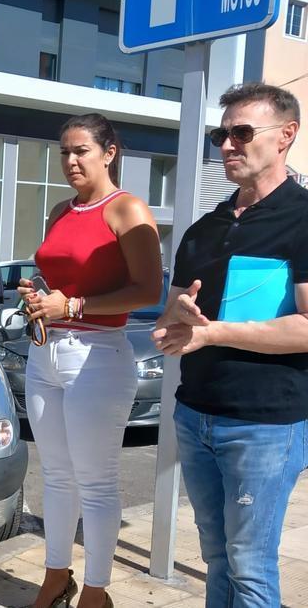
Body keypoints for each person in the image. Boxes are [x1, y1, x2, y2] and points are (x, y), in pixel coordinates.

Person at [152, 82, 308, 607]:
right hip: (195, 416)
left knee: (250, 566)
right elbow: (171, 315)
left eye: (242, 132)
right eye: (223, 133)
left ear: (286, 135)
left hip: (266, 423)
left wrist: (212, 331)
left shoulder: (304, 219)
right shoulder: (203, 228)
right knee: (217, 557)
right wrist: (176, 322)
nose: (227, 145)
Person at [20, 113, 164, 608]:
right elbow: (61, 280)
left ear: (110, 152)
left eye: (81, 150)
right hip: (45, 353)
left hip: (98, 356)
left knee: (96, 482)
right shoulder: (62, 210)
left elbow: (147, 289)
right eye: (64, 151)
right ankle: (56, 577)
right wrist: (38, 296)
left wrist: (74, 306)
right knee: (56, 476)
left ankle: (97, 592)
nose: (71, 160)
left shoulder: (127, 210)